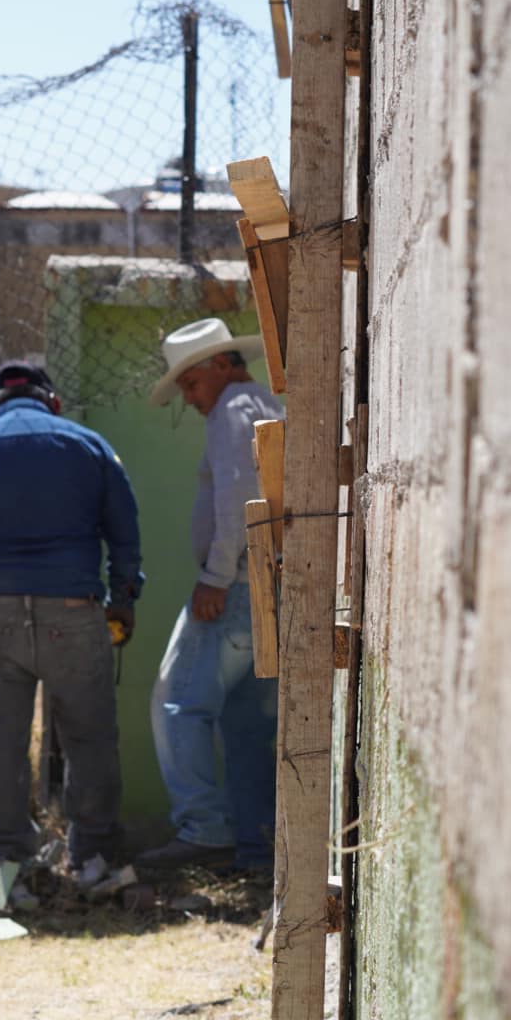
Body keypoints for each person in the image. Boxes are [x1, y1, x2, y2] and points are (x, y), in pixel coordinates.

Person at [0, 360, 142, 874]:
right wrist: (123, 598)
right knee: (90, 738)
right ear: (53, 401)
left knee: (3, 741)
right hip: (74, 612)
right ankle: (95, 858)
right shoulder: (89, 447)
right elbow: (125, 533)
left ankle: (10, 859)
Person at [137, 318, 283, 872]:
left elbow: (243, 496)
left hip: (236, 590)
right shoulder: (262, 404)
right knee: (246, 727)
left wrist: (215, 579)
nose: (190, 400)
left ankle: (204, 830)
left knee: (176, 703)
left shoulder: (232, 411)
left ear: (221, 366)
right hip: (267, 587)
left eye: (191, 385)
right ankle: (256, 847)